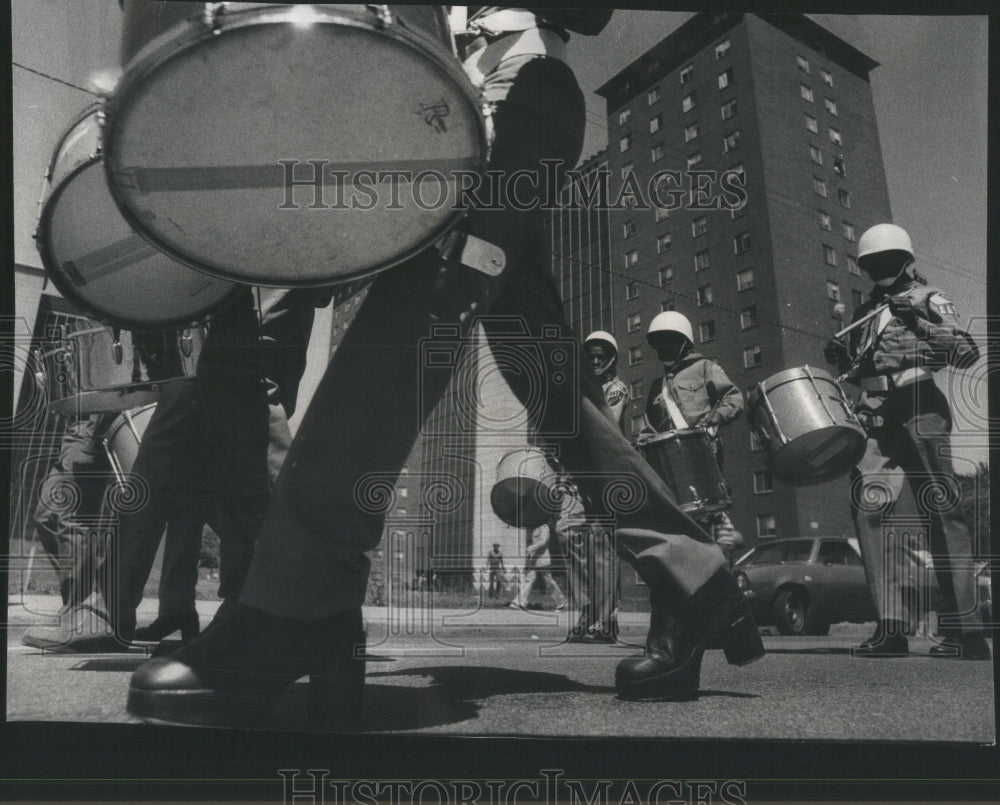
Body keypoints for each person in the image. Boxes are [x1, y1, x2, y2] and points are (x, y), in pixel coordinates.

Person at [127, 7, 763, 728]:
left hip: (510, 97)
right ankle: (694, 575)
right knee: (545, 379)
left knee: (421, 305)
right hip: (429, 89)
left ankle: (302, 598)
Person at [823, 223, 988, 659]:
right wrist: (844, 359)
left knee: (942, 508)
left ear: (905, 259)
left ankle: (965, 631)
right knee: (868, 508)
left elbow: (966, 351)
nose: (879, 267)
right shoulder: (864, 310)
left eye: (886, 260)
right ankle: (890, 627)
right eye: (870, 263)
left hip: (919, 401)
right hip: (877, 412)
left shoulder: (928, 297)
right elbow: (864, 367)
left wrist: (915, 318)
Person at [639, 312, 745, 562]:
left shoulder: (705, 368)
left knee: (712, 532)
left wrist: (717, 417)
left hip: (704, 457)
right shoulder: (657, 386)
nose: (662, 348)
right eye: (658, 343)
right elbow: (648, 426)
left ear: (683, 341)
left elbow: (734, 397)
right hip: (670, 468)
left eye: (668, 340)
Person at [21, 412, 117, 650]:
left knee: (75, 520)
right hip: (73, 428)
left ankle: (79, 609)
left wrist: (95, 434)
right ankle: (81, 602)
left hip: (93, 425)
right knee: (46, 517)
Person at [560, 330, 628, 643]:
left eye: (601, 355)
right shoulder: (577, 390)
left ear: (612, 359)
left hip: (604, 476)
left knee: (602, 546)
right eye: (590, 355)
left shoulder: (615, 389)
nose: (595, 359)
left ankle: (606, 620)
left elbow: (604, 427)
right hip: (576, 476)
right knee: (567, 532)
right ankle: (586, 608)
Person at [509, 524, 567, 611]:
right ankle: (519, 602)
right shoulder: (536, 527)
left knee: (548, 582)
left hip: (543, 559)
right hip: (535, 560)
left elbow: (543, 541)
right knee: (529, 579)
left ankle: (562, 602)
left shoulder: (544, 527)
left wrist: (530, 548)